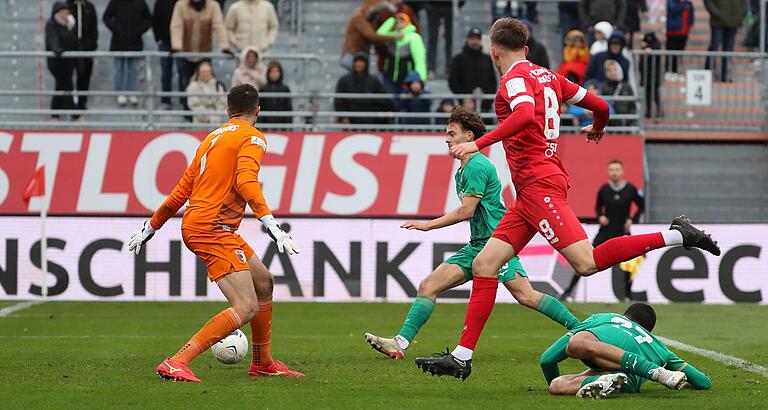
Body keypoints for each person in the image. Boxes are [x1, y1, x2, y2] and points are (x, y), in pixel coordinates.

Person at [415, 18, 720, 380]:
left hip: (539, 185)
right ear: (526, 49)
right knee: (485, 264)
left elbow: (526, 114)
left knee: (586, 262)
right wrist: (598, 128)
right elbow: (602, 106)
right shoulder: (551, 77)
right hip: (531, 192)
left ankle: (678, 235)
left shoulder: (513, 79)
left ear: (494, 52)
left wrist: (477, 142)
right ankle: (463, 357)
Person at [364, 107, 580, 360]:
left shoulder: (477, 165)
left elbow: (467, 211)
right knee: (429, 285)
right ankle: (400, 343)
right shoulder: (465, 168)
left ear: (468, 136)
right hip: (478, 244)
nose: (446, 138)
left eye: (451, 133)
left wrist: (428, 225)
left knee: (526, 295)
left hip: (496, 245)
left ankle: (581, 328)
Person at [127, 83, 303, 382]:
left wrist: (151, 225)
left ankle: (262, 362)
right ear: (258, 112)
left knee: (263, 281)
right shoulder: (254, 138)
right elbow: (247, 181)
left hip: (206, 224)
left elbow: (182, 189)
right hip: (211, 228)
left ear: (227, 111)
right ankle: (176, 361)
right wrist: (270, 222)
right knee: (246, 306)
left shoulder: (211, 139)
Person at [541, 303, 712, 398]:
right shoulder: (659, 347)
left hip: (601, 359)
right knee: (558, 384)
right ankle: (607, 380)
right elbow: (704, 382)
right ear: (647, 329)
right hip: (626, 382)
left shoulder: (602, 318)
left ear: (625, 315)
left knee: (558, 379)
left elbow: (547, 359)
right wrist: (687, 384)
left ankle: (651, 371)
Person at [559, 160, 644, 301]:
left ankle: (628, 294)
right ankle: (568, 292)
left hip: (622, 230)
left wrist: (632, 219)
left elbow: (641, 206)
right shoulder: (604, 189)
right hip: (606, 230)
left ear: (622, 172)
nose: (614, 172)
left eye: (617, 169)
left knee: (632, 262)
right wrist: (601, 216)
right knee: (585, 258)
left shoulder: (631, 189)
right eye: (611, 170)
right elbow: (598, 207)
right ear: (608, 172)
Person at [171, 0, 231, 109]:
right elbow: (176, 26)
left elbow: (219, 26)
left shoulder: (213, 6)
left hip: (204, 52)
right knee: (185, 81)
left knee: (206, 81)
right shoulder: (181, 5)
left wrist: (224, 46)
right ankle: (186, 109)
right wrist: (176, 46)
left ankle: (206, 110)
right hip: (185, 51)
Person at [103, 0, 152, 107]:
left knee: (133, 69)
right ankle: (120, 93)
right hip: (118, 42)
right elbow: (106, 17)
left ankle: (132, 93)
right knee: (119, 69)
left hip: (135, 42)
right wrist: (116, 29)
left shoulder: (140, 3)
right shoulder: (116, 2)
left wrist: (139, 31)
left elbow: (148, 19)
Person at [448, 27, 497, 115]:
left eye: (477, 39)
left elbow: (493, 82)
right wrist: (464, 98)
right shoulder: (458, 59)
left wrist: (486, 101)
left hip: (484, 108)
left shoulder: (486, 59)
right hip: (464, 107)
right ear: (468, 39)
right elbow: (452, 81)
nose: (474, 41)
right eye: (472, 38)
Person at [340, 0, 400, 72]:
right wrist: (394, 37)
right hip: (353, 55)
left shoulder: (368, 17)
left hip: (360, 53)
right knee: (359, 78)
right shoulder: (359, 17)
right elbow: (371, 36)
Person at [376, 12, 427, 96]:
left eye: (402, 21)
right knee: (391, 102)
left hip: (407, 78)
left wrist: (420, 79)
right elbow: (379, 35)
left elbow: (419, 59)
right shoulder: (391, 36)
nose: (399, 23)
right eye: (397, 22)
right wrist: (392, 19)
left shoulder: (413, 37)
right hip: (390, 76)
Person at [334, 53, 392, 125]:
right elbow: (339, 101)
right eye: (356, 61)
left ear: (366, 64)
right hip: (350, 121)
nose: (359, 64)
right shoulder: (344, 80)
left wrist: (380, 114)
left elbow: (382, 99)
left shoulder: (373, 80)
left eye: (361, 62)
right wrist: (343, 117)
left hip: (370, 122)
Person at [45, 2, 78, 120]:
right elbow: (52, 40)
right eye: (64, 11)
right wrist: (57, 49)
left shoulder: (69, 25)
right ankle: (75, 115)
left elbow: (74, 42)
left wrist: (71, 28)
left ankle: (55, 115)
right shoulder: (51, 24)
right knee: (67, 86)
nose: (67, 13)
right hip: (57, 63)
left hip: (68, 62)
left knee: (60, 86)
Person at [703, 0, 748, 82]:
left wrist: (739, 15)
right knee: (714, 45)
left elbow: (744, 4)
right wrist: (717, 13)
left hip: (733, 22)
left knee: (728, 50)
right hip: (718, 21)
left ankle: (725, 75)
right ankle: (707, 74)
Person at [67, 0, 98, 113]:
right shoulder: (66, 7)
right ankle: (68, 103)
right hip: (70, 48)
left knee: (84, 76)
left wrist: (92, 46)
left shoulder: (89, 7)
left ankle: (81, 103)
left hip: (86, 48)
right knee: (67, 77)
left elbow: (94, 29)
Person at [424, 0, 462, 78]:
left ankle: (448, 69)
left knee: (449, 38)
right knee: (432, 38)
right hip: (432, 5)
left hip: (447, 5)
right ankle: (431, 69)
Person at [153, 0, 178, 110]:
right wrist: (158, 38)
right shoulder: (160, 2)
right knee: (166, 73)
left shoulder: (182, 2)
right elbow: (155, 19)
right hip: (165, 41)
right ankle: (166, 101)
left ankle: (184, 102)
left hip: (180, 42)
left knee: (183, 74)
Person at [665, 0, 694, 76]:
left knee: (679, 52)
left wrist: (690, 23)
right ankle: (669, 71)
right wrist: (684, 5)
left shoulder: (688, 3)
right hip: (673, 31)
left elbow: (691, 14)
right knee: (671, 52)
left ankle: (676, 71)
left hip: (684, 32)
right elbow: (673, 9)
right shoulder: (672, 1)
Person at [638, 32, 662, 118]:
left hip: (654, 75)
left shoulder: (656, 45)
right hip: (645, 76)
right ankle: (648, 112)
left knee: (655, 94)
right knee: (647, 95)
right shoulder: (644, 47)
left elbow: (657, 47)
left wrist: (649, 48)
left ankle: (659, 111)